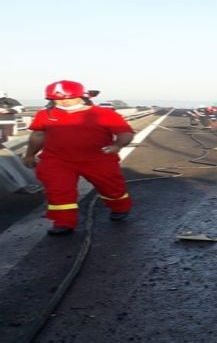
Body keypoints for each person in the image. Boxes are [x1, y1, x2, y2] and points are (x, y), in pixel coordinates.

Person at [22, 80, 135, 235]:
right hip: (57, 160)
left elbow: (125, 133)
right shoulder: (45, 115)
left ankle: (120, 207)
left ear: (81, 96)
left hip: (98, 160)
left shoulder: (104, 114)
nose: (64, 101)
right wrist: (30, 155)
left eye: (70, 98)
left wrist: (118, 145)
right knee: (58, 191)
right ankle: (63, 222)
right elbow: (38, 135)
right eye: (58, 99)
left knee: (112, 188)